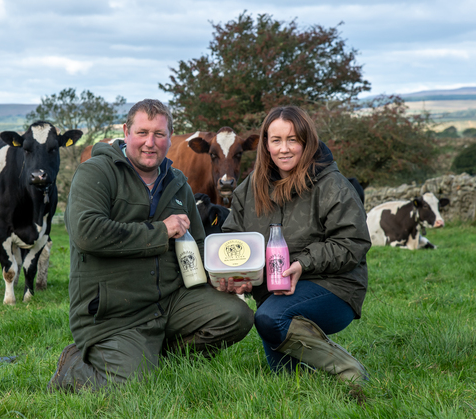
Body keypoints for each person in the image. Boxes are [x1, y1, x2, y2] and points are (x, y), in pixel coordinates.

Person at [48, 99, 254, 392]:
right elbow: (86, 233)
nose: (150, 143)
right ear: (126, 132)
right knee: (135, 386)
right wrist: (160, 232)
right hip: (114, 309)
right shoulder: (96, 172)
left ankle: (155, 354)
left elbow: (197, 243)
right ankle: (73, 367)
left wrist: (221, 276)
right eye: (142, 133)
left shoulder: (178, 183)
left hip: (170, 301)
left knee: (237, 315)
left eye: (159, 134)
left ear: (171, 138)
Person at [219, 106, 371, 386]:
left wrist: (303, 264)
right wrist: (238, 274)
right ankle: (316, 380)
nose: (284, 149)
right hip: (274, 292)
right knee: (290, 381)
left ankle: (349, 371)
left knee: (271, 318)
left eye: (293, 140)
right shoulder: (251, 186)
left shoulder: (331, 185)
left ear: (307, 142)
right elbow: (234, 238)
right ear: (265, 144)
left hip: (334, 286)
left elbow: (353, 243)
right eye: (276, 140)